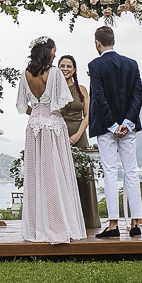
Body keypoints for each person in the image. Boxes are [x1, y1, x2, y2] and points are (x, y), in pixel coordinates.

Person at [17, 38, 86, 244]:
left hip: (33, 127)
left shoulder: (26, 74)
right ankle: (58, 225)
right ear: (48, 51)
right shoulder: (54, 72)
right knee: (55, 175)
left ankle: (37, 227)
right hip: (53, 126)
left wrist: (38, 111)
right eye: (54, 51)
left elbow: (23, 106)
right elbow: (66, 102)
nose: (56, 55)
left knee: (37, 175)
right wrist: (54, 113)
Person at [87, 25, 142, 238]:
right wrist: (127, 123)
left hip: (106, 128)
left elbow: (99, 97)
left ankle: (113, 225)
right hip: (128, 127)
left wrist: (112, 125)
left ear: (97, 43)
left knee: (110, 172)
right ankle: (135, 223)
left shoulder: (95, 65)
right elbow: (138, 96)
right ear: (114, 41)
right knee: (132, 172)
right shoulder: (132, 64)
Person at [57, 54, 101, 231]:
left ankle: (88, 220)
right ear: (57, 68)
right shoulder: (53, 90)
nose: (66, 69)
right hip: (59, 133)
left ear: (74, 70)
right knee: (62, 177)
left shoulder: (81, 89)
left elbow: (88, 115)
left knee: (83, 177)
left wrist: (78, 134)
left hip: (79, 134)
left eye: (69, 66)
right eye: (62, 66)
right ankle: (65, 220)